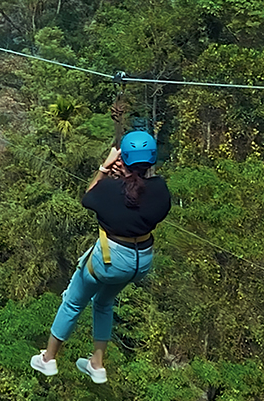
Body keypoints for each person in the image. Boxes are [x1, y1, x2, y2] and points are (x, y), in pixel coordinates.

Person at [30, 131, 171, 383]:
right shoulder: (160, 189)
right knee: (103, 303)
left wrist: (104, 168)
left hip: (110, 261)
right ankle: (97, 364)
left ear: (122, 159)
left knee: (73, 301)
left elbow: (88, 197)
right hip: (140, 263)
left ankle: (48, 359)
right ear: (152, 161)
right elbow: (137, 194)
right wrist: (124, 179)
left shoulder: (109, 189)